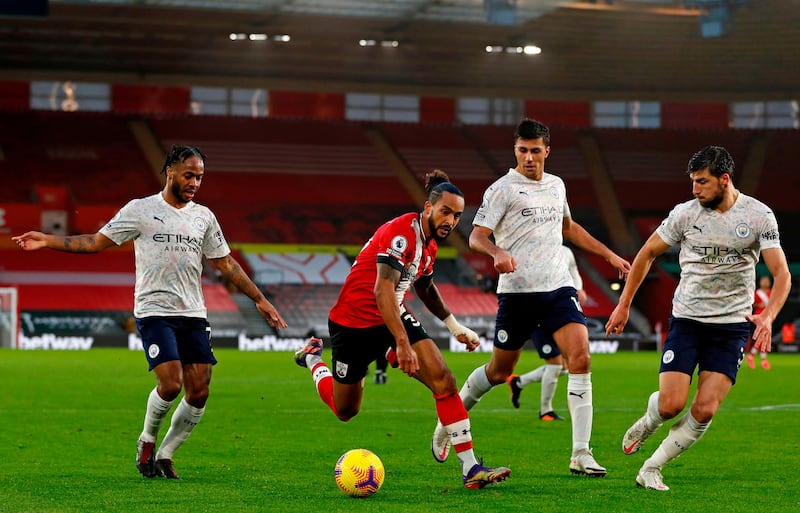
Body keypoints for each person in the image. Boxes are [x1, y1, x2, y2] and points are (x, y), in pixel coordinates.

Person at [12, 145, 287, 480]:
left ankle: (166, 454)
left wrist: (260, 299)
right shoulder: (140, 210)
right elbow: (96, 243)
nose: (195, 183)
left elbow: (225, 263)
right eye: (189, 175)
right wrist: (47, 240)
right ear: (169, 171)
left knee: (199, 391)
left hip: (193, 313)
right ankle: (146, 441)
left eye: (199, 177)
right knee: (170, 384)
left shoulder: (204, 217)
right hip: (154, 310)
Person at [431, 119, 631, 478]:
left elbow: (568, 228)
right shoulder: (502, 189)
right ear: (515, 150)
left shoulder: (557, 185)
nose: (528, 157)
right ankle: (450, 420)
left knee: (581, 357)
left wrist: (608, 255)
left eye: (535, 150)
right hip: (518, 293)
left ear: (546, 151)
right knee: (499, 371)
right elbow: (477, 235)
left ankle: (581, 453)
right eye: (522, 150)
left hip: (558, 288)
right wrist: (495, 253)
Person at [293, 170, 511, 490]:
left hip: (391, 316)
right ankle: (314, 359)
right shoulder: (401, 233)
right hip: (351, 323)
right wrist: (402, 344)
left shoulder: (430, 245)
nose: (451, 220)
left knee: (443, 380)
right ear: (428, 208)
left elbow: (424, 287)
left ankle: (471, 468)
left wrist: (454, 326)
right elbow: (381, 289)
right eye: (445, 212)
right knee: (345, 410)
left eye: (457, 215)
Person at [605, 145, 791, 491]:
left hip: (732, 326)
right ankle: (650, 420)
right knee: (672, 404)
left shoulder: (758, 215)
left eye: (702, 182)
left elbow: (782, 274)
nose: (695, 189)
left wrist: (768, 317)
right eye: (692, 181)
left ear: (724, 179)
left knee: (704, 409)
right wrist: (624, 303)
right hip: (688, 319)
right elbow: (646, 254)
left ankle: (651, 467)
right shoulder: (685, 215)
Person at [507, 244, 587, 421]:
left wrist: (579, 288)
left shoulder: (566, 251)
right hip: (536, 313)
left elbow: (573, 270)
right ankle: (545, 411)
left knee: (565, 368)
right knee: (556, 365)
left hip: (558, 312)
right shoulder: (532, 248)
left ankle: (518, 382)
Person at [745, 275, 773, 370]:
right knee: (761, 338)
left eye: (766, 281)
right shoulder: (758, 293)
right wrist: (758, 305)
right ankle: (762, 359)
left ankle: (753, 356)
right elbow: (752, 303)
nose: (765, 282)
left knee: (763, 338)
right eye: (763, 280)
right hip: (759, 317)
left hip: (768, 318)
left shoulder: (771, 293)